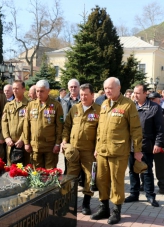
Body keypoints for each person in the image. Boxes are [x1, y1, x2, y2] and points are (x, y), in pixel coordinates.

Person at [90, 77, 142, 225]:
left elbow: (136, 129)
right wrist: (96, 148)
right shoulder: (104, 104)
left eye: (110, 88)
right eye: (105, 88)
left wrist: (137, 150)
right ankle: (104, 208)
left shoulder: (128, 105)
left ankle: (116, 211)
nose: (107, 91)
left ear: (119, 88)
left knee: (117, 181)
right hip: (102, 151)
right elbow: (100, 129)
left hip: (119, 151)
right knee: (101, 180)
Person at [61, 83, 100, 215]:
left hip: (90, 151)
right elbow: (66, 126)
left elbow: (101, 132)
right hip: (74, 151)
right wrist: (64, 141)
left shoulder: (99, 110)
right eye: (81, 95)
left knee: (90, 178)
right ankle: (70, 203)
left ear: (92, 95)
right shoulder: (75, 109)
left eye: (86, 95)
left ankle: (86, 204)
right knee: (71, 177)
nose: (83, 97)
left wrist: (98, 148)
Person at [125, 84, 164, 208]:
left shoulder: (154, 108)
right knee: (132, 171)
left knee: (146, 171)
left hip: (147, 145)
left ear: (145, 93)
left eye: (138, 93)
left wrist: (158, 143)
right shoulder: (131, 106)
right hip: (132, 145)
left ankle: (150, 195)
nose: (135, 95)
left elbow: (160, 128)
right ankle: (134, 193)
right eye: (134, 93)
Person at [23, 80, 63, 169]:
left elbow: (59, 126)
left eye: (42, 91)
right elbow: (26, 125)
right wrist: (26, 142)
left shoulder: (56, 105)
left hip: (50, 146)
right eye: (37, 91)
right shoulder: (31, 105)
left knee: (50, 173)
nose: (39, 94)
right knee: (36, 173)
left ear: (48, 91)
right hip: (35, 146)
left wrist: (57, 144)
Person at [147, 92, 164, 194]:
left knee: (161, 166)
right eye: (151, 100)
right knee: (145, 166)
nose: (152, 102)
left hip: (160, 144)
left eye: (155, 100)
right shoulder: (143, 112)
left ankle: (162, 185)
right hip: (147, 144)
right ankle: (145, 184)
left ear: (159, 101)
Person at [2, 80, 30, 165]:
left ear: (23, 89)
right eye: (13, 88)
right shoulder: (8, 105)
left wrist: (22, 139)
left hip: (24, 144)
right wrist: (6, 137)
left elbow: (30, 125)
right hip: (11, 144)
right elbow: (4, 122)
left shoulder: (29, 105)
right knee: (11, 169)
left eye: (17, 88)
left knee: (24, 169)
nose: (14, 90)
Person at [60, 79, 81, 177]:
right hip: (66, 132)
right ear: (68, 88)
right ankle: (68, 176)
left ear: (79, 87)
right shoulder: (63, 100)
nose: (73, 88)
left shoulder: (83, 99)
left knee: (80, 157)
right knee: (68, 156)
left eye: (75, 87)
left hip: (79, 133)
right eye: (71, 87)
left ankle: (80, 179)